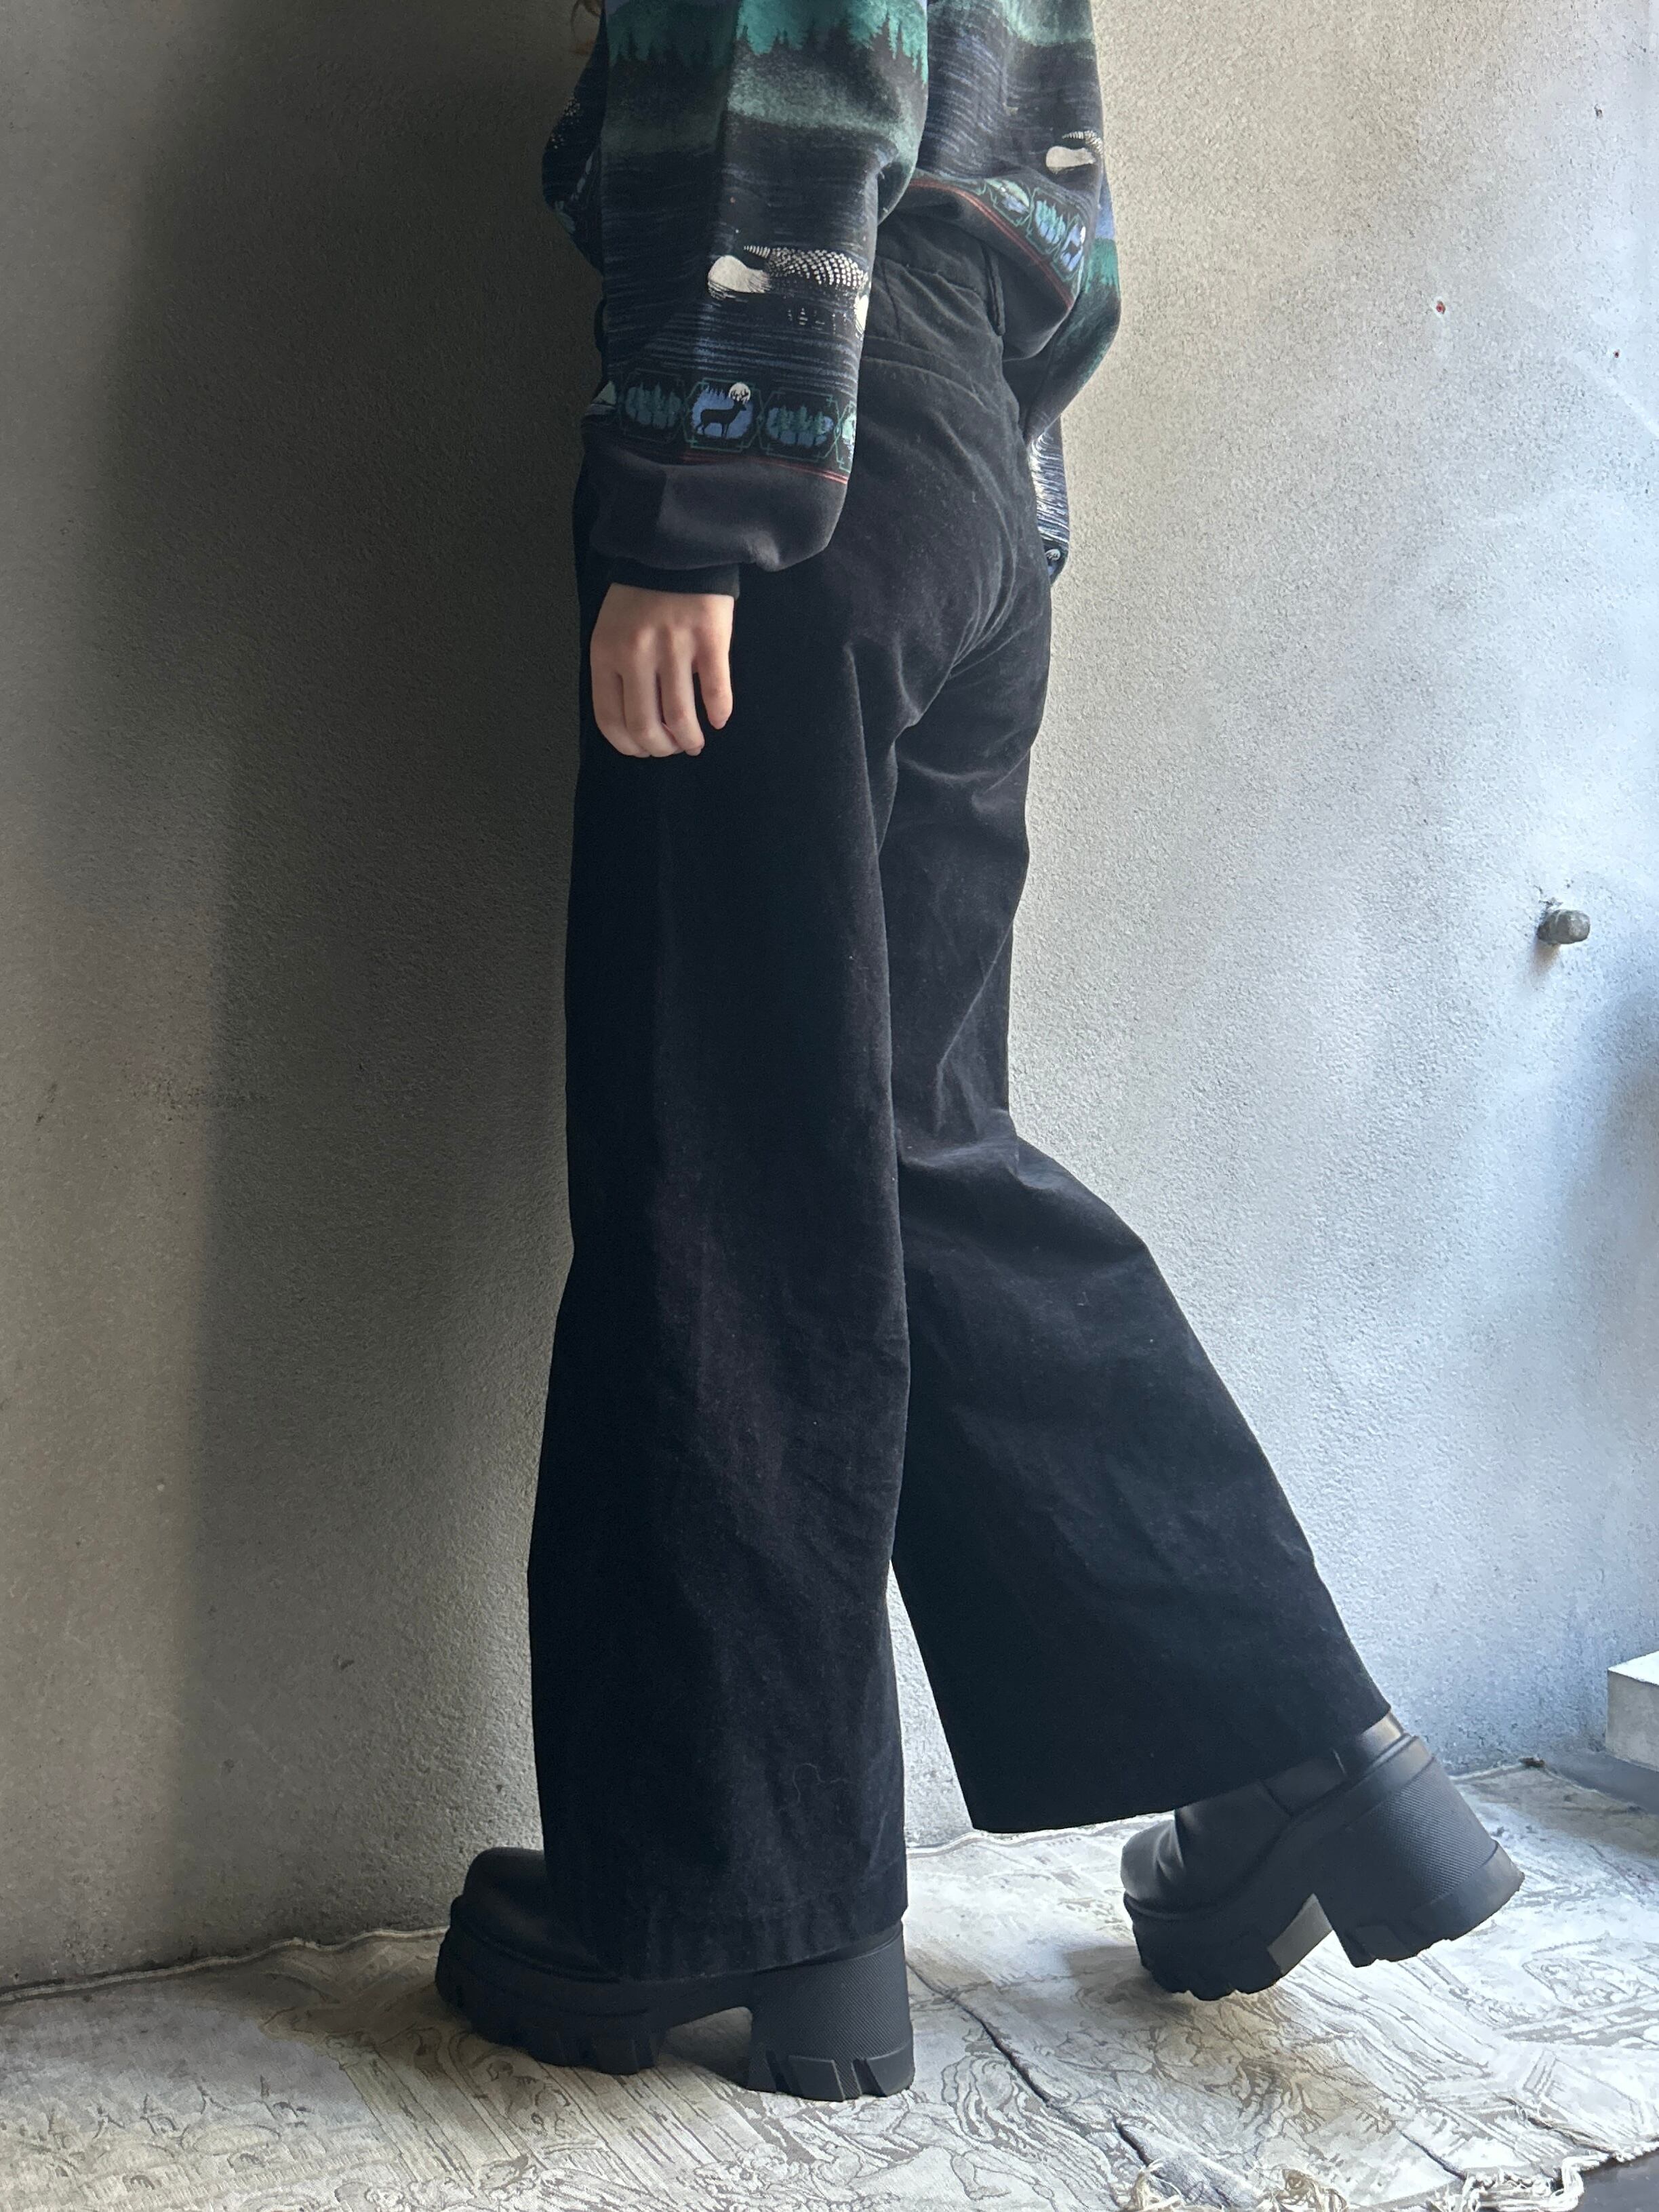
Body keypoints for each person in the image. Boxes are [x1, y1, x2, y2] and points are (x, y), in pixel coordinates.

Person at [435, 0, 1521, 2100]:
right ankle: (1301, 1743)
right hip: (969, 452)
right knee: (903, 1143)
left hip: (802, 437)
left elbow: (790, 50)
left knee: (725, 1167)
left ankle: (739, 1915)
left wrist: (699, 500)